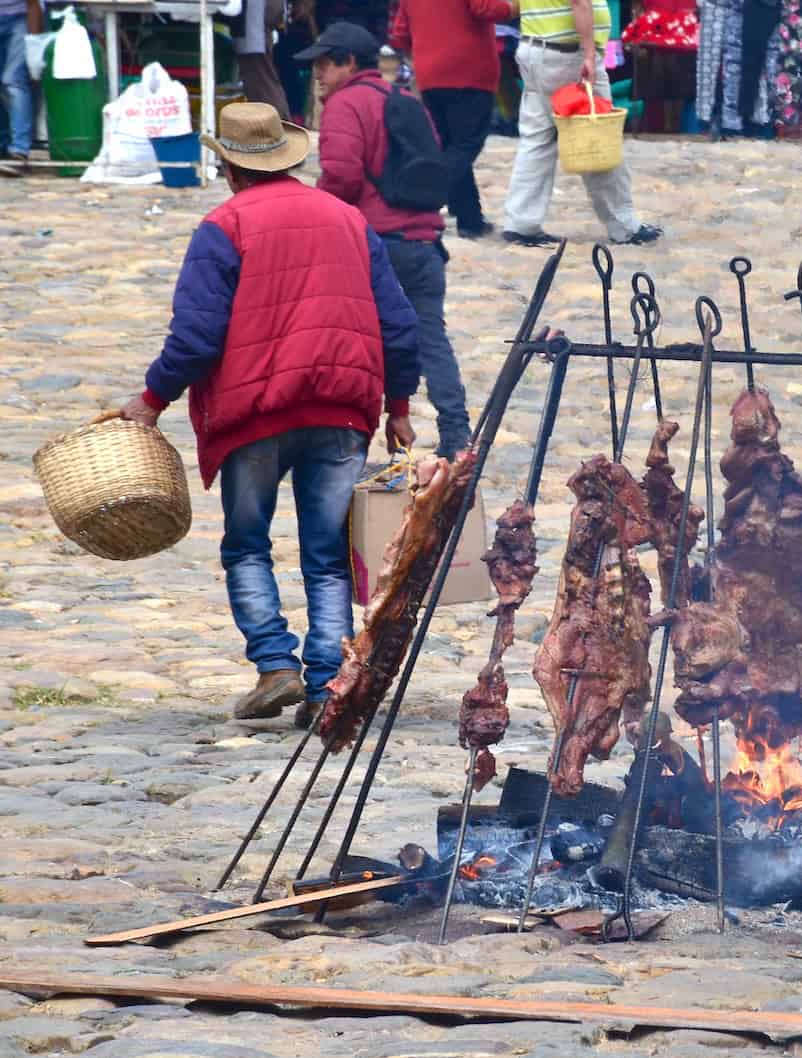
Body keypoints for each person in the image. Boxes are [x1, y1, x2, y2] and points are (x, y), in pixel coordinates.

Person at [117, 102, 419, 725]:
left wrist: (150, 402)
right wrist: (400, 406)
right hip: (340, 409)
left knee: (247, 544)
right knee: (328, 552)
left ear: (228, 166)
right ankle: (328, 684)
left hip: (256, 414)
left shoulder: (223, 226)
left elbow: (196, 339)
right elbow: (397, 324)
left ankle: (275, 664)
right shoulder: (348, 220)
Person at [298, 22, 472, 462]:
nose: (317, 72)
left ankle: (354, 437)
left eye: (324, 62)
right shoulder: (405, 101)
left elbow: (341, 176)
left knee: (359, 342)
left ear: (348, 62)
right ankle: (456, 432)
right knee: (431, 339)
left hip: (376, 246)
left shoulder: (344, 105)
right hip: (424, 243)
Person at [501, 0, 661, 246]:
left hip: (534, 48)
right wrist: (588, 54)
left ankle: (521, 223)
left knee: (536, 138)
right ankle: (623, 225)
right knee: (597, 135)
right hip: (566, 55)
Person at [391, 0, 517, 239]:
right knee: (466, 144)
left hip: (430, 74)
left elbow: (400, 32)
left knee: (452, 145)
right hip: (469, 70)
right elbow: (486, 8)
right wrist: (520, 6)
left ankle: (469, 219)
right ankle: (421, 197)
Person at [233, 0, 292, 119]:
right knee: (257, 77)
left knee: (261, 77)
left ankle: (280, 125)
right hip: (255, 16)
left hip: (255, 16)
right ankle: (278, 124)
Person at [0, 0, 40, 175]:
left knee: (13, 80)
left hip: (20, 18)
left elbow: (33, 5)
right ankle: (4, 145)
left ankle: (19, 151)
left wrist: (33, 44)